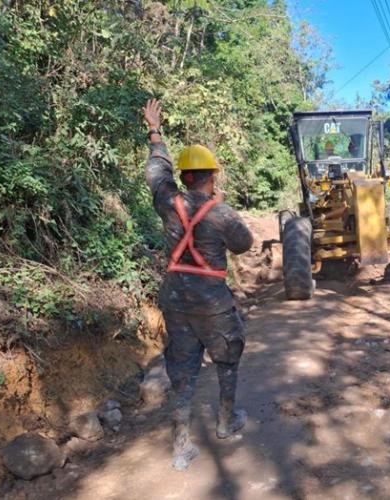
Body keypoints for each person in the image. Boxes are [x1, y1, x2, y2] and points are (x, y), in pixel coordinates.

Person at [142, 98, 254, 470]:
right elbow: (243, 244)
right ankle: (225, 421)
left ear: (184, 177)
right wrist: (221, 207)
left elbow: (157, 173)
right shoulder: (220, 213)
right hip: (212, 302)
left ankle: (181, 447)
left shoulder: (168, 202)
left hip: (175, 298)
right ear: (212, 176)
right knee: (227, 356)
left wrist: (155, 131)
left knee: (183, 369)